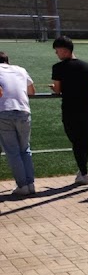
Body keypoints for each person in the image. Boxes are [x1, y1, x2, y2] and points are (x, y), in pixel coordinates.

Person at [51, 36, 88, 185]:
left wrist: (55, 88)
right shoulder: (87, 66)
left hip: (70, 109)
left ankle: (83, 172)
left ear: (64, 51)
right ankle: (83, 170)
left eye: (57, 51)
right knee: (84, 140)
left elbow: (57, 90)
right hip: (86, 108)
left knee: (76, 141)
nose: (57, 54)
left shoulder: (58, 68)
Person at [0, 52, 36, 198]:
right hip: (23, 110)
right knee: (25, 148)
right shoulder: (21, 69)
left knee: (13, 151)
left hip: (4, 112)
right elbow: (32, 91)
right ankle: (30, 183)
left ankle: (22, 185)